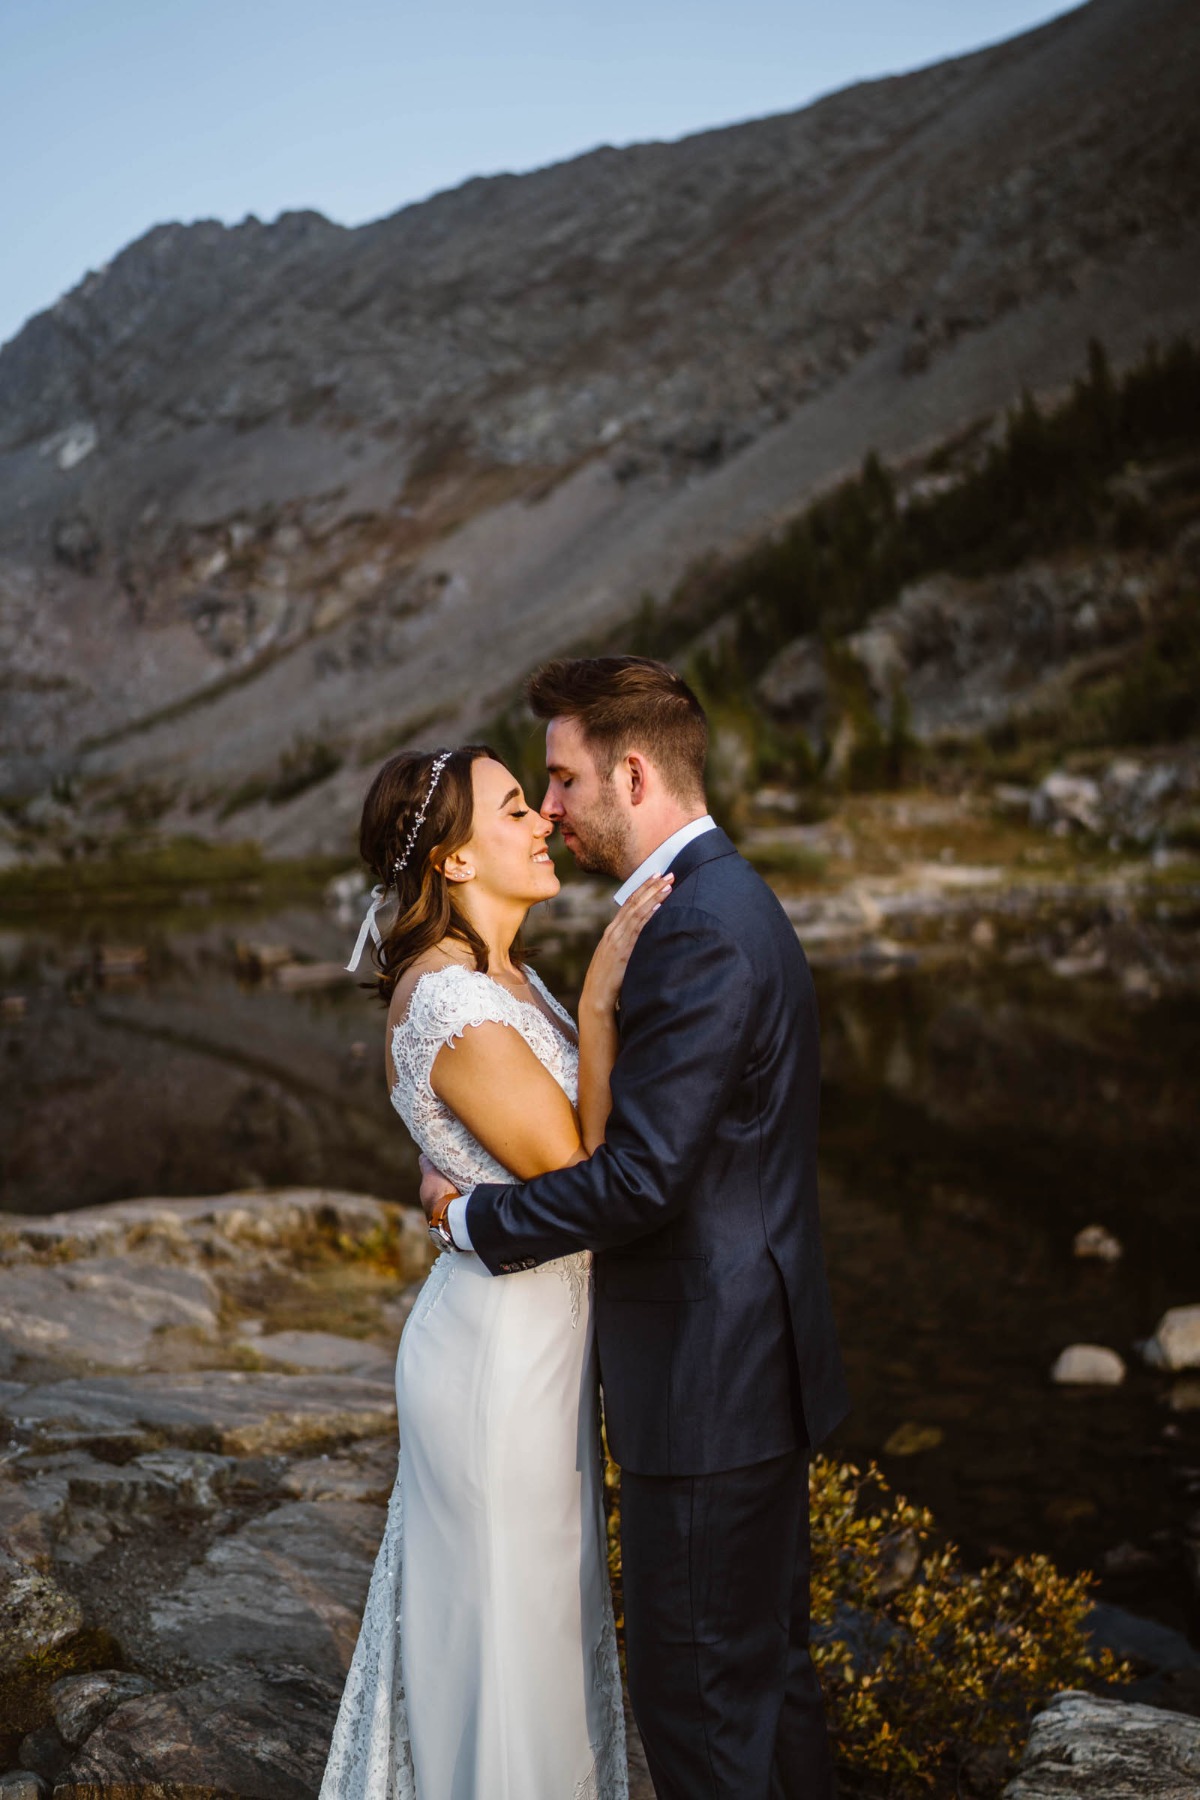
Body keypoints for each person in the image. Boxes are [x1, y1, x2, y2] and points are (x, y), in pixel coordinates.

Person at [421, 656, 848, 1800]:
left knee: (702, 1713)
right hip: (742, 1368)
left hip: (711, 1387)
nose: (550, 808)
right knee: (763, 1689)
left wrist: (471, 1218)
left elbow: (640, 1181)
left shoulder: (698, 928)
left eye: (561, 781)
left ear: (636, 771)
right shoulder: (715, 902)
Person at [321, 739, 669, 1800]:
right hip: (499, 1362)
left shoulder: (503, 976)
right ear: (456, 861)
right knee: (511, 1646)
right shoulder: (447, 998)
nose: (544, 821)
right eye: (515, 808)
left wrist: (447, 1188)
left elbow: (506, 1145)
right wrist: (603, 1002)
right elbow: (582, 1172)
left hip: (542, 1348)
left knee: (540, 1631)